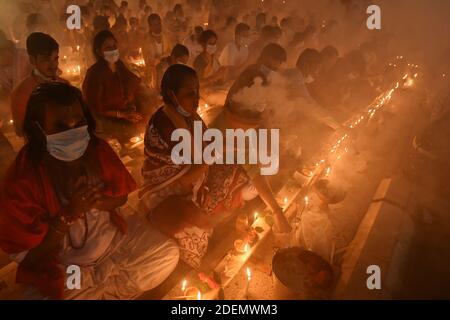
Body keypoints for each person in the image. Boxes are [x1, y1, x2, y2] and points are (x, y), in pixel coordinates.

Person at [0, 82, 179, 299]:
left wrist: (99, 201)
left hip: (115, 248)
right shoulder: (22, 180)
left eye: (79, 123)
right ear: (38, 129)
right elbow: (27, 257)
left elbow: (121, 197)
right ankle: (100, 285)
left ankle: (104, 288)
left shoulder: (96, 148)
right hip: (71, 268)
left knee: (166, 255)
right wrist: (67, 216)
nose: (73, 133)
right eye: (61, 127)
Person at [139, 64, 251, 269]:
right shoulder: (164, 125)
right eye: (190, 94)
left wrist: (215, 159)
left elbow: (208, 147)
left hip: (195, 175)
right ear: (172, 95)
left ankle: (216, 205)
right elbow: (183, 179)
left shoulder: (191, 117)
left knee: (238, 170)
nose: (197, 98)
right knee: (193, 226)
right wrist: (212, 158)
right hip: (166, 187)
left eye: (197, 92)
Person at [82, 30, 145, 143]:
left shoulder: (119, 65)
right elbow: (94, 107)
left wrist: (132, 109)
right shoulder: (94, 73)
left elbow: (133, 85)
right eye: (107, 47)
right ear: (99, 51)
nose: (113, 50)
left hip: (126, 119)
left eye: (114, 46)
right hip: (107, 125)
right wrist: (121, 114)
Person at [11, 32, 68, 136]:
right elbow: (20, 130)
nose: (53, 65)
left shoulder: (64, 84)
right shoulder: (22, 93)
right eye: (46, 60)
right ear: (32, 60)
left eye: (55, 59)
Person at [226, 43, 287, 108]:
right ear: (267, 57)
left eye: (280, 62)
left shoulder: (262, 70)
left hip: (240, 108)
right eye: (277, 61)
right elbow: (250, 99)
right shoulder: (256, 71)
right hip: (234, 109)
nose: (279, 65)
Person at [142, 14, 173, 89]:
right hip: (153, 74)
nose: (158, 26)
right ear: (150, 26)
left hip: (166, 70)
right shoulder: (146, 40)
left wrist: (166, 60)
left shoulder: (166, 37)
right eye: (155, 24)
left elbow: (170, 51)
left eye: (159, 23)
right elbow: (147, 59)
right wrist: (159, 61)